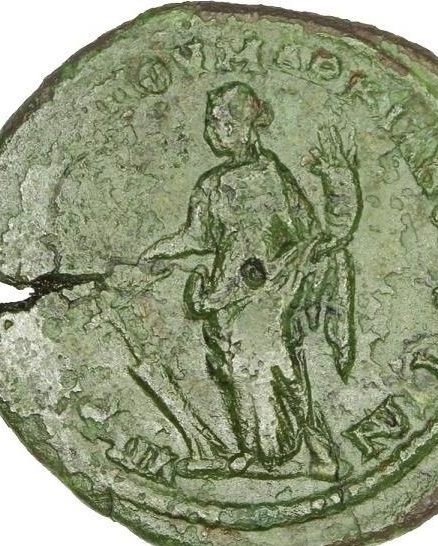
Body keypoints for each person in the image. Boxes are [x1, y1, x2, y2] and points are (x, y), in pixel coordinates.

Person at [141, 81, 359, 480]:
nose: (212, 130)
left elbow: (310, 232)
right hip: (226, 295)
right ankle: (251, 449)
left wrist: (338, 190)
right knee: (235, 372)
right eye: (210, 122)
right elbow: (196, 236)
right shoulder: (210, 184)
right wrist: (158, 250)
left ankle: (318, 451)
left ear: (246, 125)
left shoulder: (272, 174)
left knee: (283, 372)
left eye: (221, 121)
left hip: (272, 291)